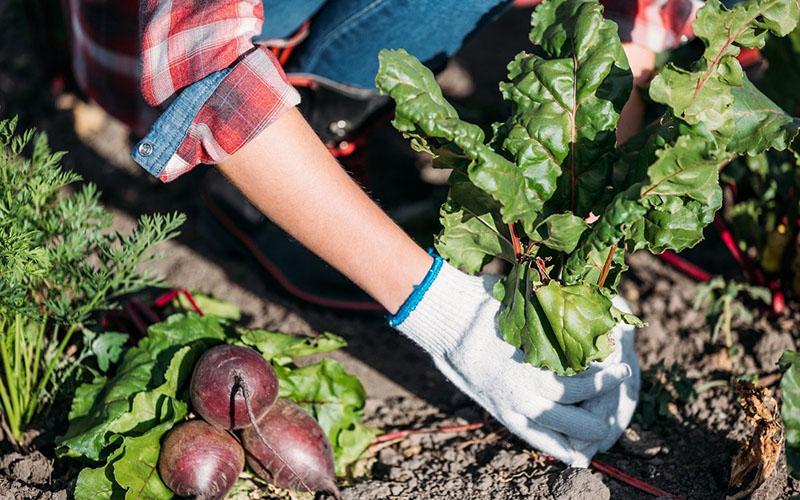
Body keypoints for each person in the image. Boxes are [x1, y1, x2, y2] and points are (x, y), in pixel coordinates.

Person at [61, 0, 699, 467]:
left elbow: (624, 27)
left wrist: (585, 256)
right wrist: (447, 312)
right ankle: (260, 183)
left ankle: (337, 125)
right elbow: (203, 68)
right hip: (160, 55)